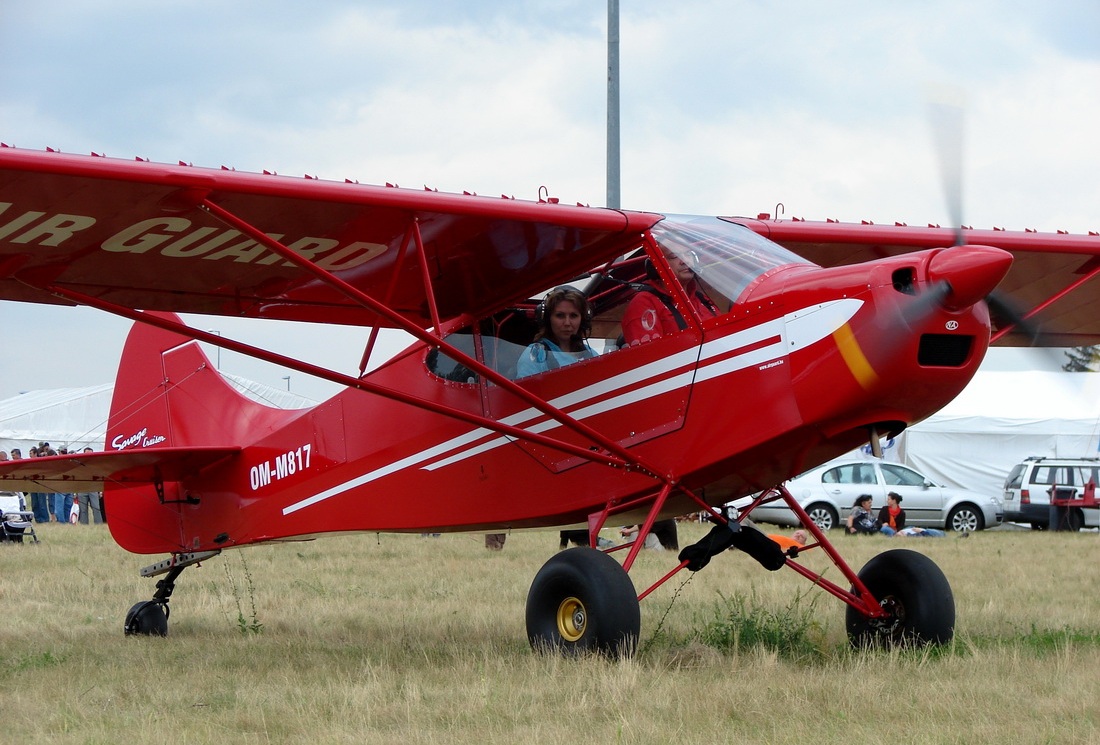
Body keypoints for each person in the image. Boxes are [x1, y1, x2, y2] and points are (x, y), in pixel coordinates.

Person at [620, 247, 718, 346]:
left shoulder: (702, 299)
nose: (684, 261)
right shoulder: (643, 303)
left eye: (688, 254)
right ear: (655, 266)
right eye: (674, 256)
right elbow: (651, 356)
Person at [515, 286, 597, 378]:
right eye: (560, 315)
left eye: (573, 316)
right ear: (547, 318)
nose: (567, 323)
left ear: (583, 319)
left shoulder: (591, 354)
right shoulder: (536, 355)